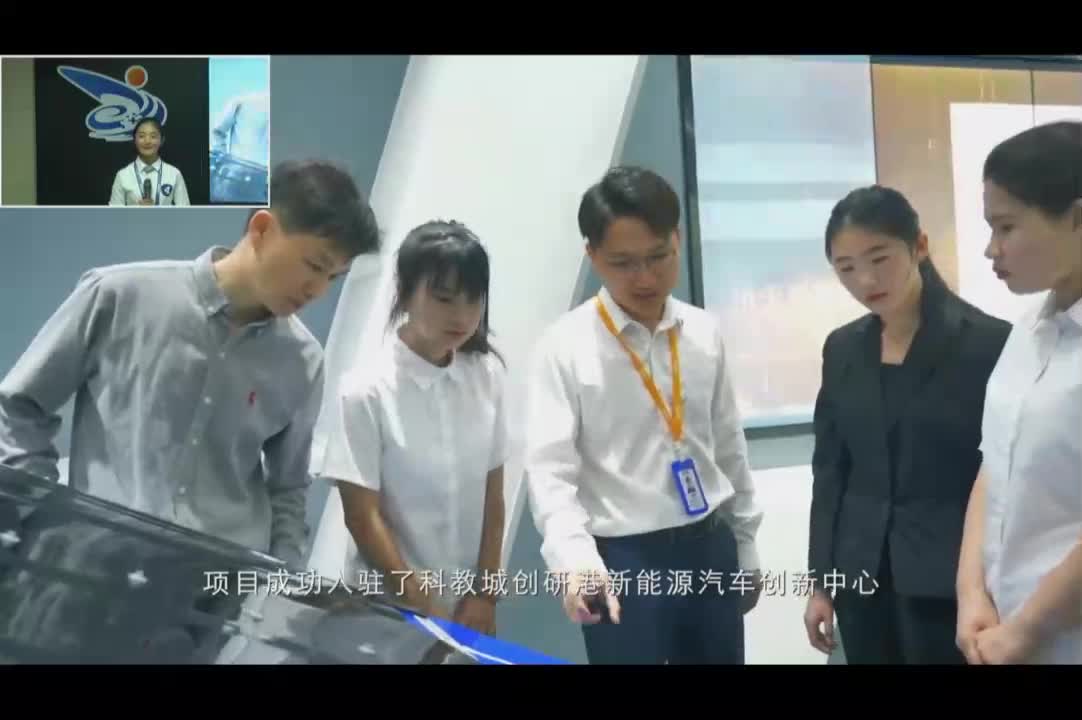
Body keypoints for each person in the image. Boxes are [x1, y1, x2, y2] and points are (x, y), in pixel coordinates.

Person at [0, 159, 380, 568]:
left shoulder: (303, 361)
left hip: (216, 587)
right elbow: (17, 407)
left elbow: (288, 488)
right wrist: (39, 507)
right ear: (262, 229)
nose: (318, 290)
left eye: (333, 277)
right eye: (315, 266)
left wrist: (278, 576)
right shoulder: (120, 296)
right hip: (95, 565)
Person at [524, 165, 763, 664]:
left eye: (658, 256)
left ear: (678, 239)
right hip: (621, 561)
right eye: (624, 263)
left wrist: (745, 545)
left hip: (708, 546)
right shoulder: (564, 347)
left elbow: (728, 446)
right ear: (592, 255)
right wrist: (577, 563)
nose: (646, 277)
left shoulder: (703, 332)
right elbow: (550, 475)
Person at [803, 185, 1011, 665]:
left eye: (880, 258)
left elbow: (1000, 475)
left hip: (950, 582)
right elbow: (830, 471)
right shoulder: (842, 348)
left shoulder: (988, 343)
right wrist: (821, 582)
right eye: (846, 268)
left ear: (919, 245)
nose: (866, 279)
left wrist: (986, 586)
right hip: (860, 577)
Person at [319, 220, 509, 636]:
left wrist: (485, 594)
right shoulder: (366, 389)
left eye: (473, 299)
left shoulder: (487, 375)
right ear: (405, 292)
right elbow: (362, 517)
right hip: (387, 608)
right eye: (444, 298)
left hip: (466, 609)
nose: (461, 315)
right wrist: (421, 606)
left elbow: (493, 499)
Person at [956, 120, 1082, 665]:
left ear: (1076, 218)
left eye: (1006, 227)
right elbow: (995, 463)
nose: (992, 249)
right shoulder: (1029, 328)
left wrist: (1027, 630)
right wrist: (971, 593)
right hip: (1004, 632)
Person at [109, 117, 191, 207]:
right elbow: (114, 213)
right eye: (141, 136)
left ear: (161, 140)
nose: (147, 141)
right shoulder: (123, 175)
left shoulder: (174, 174)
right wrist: (137, 211)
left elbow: (185, 212)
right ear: (135, 140)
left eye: (153, 136)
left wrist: (157, 212)